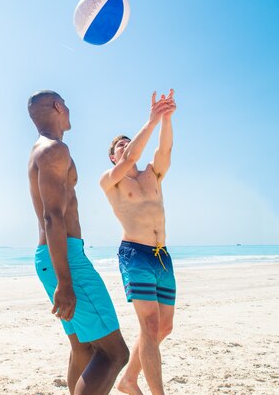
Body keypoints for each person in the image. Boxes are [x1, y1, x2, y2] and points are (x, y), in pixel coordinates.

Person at [27, 90, 129, 395]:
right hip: (65, 258)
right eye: (66, 105)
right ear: (58, 107)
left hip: (51, 256)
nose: (69, 110)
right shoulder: (55, 150)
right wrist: (66, 281)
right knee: (114, 353)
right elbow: (52, 217)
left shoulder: (39, 150)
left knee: (83, 348)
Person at [100, 89, 177, 395]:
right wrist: (152, 120)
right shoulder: (111, 179)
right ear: (112, 155)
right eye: (121, 145)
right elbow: (133, 154)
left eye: (129, 142)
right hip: (134, 254)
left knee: (163, 327)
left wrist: (167, 119)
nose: (127, 147)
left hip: (162, 256)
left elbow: (165, 151)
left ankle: (129, 379)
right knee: (148, 325)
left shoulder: (152, 175)